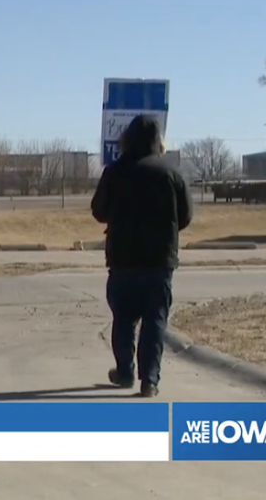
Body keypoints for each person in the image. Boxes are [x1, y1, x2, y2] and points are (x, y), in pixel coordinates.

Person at [90, 115, 192, 397]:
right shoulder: (172, 173)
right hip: (159, 261)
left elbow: (98, 210)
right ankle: (150, 380)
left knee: (122, 318)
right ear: (158, 141)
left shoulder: (115, 172)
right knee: (155, 320)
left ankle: (124, 371)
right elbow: (185, 216)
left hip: (123, 259)